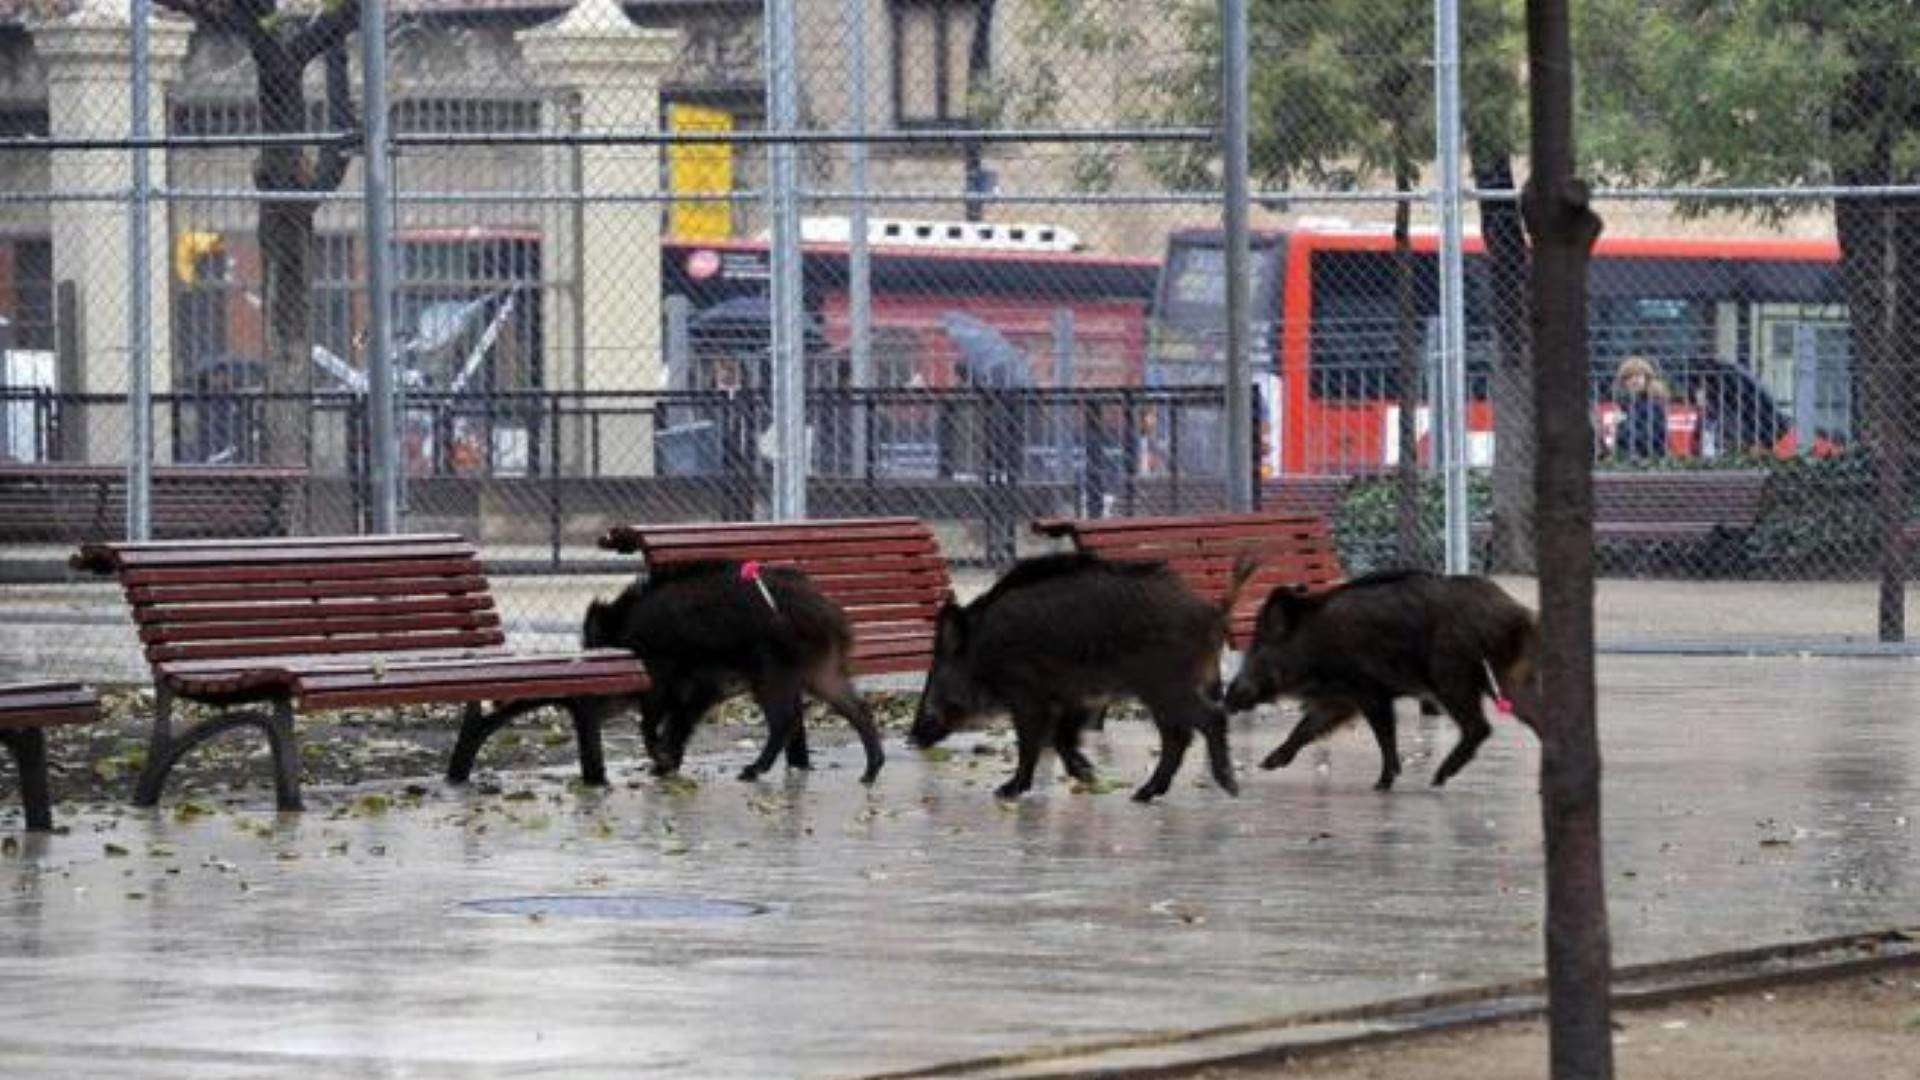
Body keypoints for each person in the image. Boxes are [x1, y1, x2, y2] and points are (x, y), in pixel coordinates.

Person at [1611, 356, 1669, 461]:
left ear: (1646, 378)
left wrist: (1623, 424)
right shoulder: (1625, 404)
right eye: (1629, 377)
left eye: (1638, 375)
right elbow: (1620, 440)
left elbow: (1651, 436)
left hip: (1651, 458)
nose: (1634, 380)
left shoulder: (1653, 404)